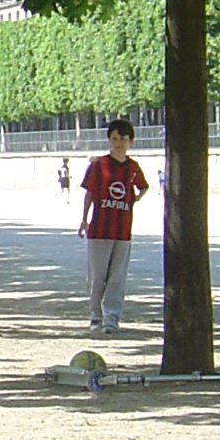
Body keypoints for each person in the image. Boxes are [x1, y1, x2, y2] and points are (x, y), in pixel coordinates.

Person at [77, 119, 149, 335]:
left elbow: (143, 187)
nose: (118, 143)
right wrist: (84, 219)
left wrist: (135, 198)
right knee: (97, 276)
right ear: (109, 140)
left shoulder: (133, 168)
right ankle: (95, 314)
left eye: (123, 139)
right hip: (99, 229)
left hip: (123, 230)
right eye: (114, 139)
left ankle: (112, 318)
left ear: (130, 141)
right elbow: (89, 192)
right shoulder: (99, 165)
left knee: (117, 277)